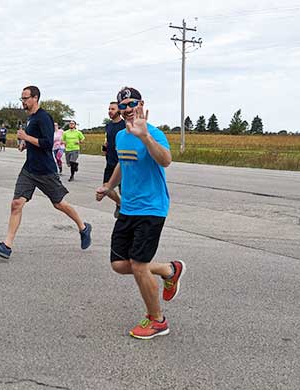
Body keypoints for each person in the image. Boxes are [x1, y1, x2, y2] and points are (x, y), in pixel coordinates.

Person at [95, 86, 185, 340]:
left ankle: (157, 320)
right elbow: (123, 163)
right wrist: (109, 186)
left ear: (141, 104)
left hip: (152, 207)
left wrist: (145, 137)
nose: (126, 109)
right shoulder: (120, 137)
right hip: (128, 207)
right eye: (122, 105)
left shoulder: (153, 133)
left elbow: (165, 160)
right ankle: (169, 270)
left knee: (138, 265)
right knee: (118, 264)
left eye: (131, 104)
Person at [0, 86, 92, 260]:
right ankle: (6, 246)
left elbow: (47, 143)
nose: (23, 102)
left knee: (59, 204)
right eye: (22, 98)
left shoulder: (44, 117)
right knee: (16, 204)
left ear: (35, 98)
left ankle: (83, 227)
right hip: (29, 169)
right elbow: (36, 141)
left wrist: (26, 138)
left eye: (25, 98)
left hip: (45, 170)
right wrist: (25, 144)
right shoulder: (31, 118)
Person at [103, 102, 125, 218]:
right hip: (110, 162)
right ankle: (120, 203)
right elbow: (107, 139)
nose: (110, 111)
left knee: (124, 192)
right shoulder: (109, 125)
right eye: (109, 109)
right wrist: (105, 146)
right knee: (106, 189)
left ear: (119, 111)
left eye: (112, 109)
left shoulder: (125, 125)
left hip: (122, 163)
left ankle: (128, 211)